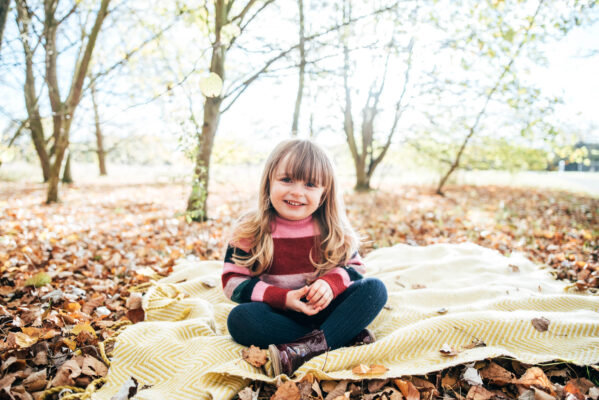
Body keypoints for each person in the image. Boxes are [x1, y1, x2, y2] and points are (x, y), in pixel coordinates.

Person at [222, 139, 388, 377]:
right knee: (239, 319)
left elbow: (355, 268)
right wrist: (284, 298)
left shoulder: (332, 228)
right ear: (269, 180)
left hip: (327, 309)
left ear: (324, 193)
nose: (297, 192)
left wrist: (330, 284)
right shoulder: (250, 229)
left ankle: (304, 348)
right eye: (287, 179)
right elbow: (233, 282)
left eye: (310, 184)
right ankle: (338, 336)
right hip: (278, 314)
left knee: (375, 289)